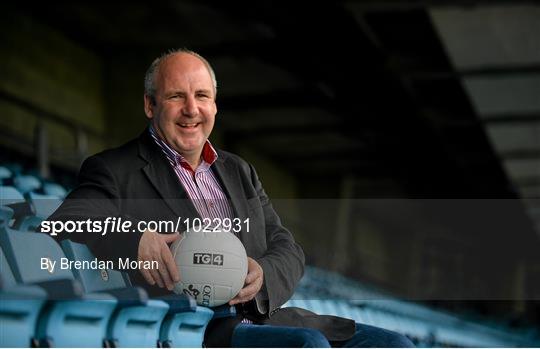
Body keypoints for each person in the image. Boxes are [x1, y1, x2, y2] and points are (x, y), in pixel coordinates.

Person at [48, 49, 414, 347]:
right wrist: (135, 238)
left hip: (265, 318)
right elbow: (70, 218)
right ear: (150, 105)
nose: (192, 109)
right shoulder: (115, 168)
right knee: (307, 346)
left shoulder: (239, 170)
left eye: (202, 96)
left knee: (395, 344)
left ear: (214, 105)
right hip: (194, 327)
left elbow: (286, 246)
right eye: (177, 96)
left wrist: (262, 275)